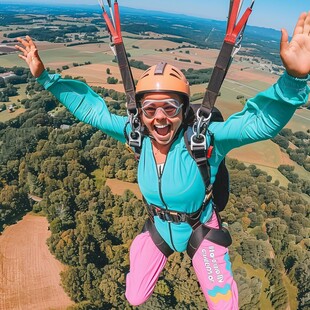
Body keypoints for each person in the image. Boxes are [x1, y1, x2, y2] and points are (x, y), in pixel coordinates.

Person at [16, 12, 310, 309]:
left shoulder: (206, 141)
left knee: (224, 307)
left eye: (169, 107)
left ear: (184, 110)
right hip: (158, 229)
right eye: (149, 108)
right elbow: (91, 111)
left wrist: (294, 81)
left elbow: (258, 124)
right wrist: (45, 78)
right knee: (135, 296)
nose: (159, 117)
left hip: (201, 229)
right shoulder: (136, 137)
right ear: (140, 112)